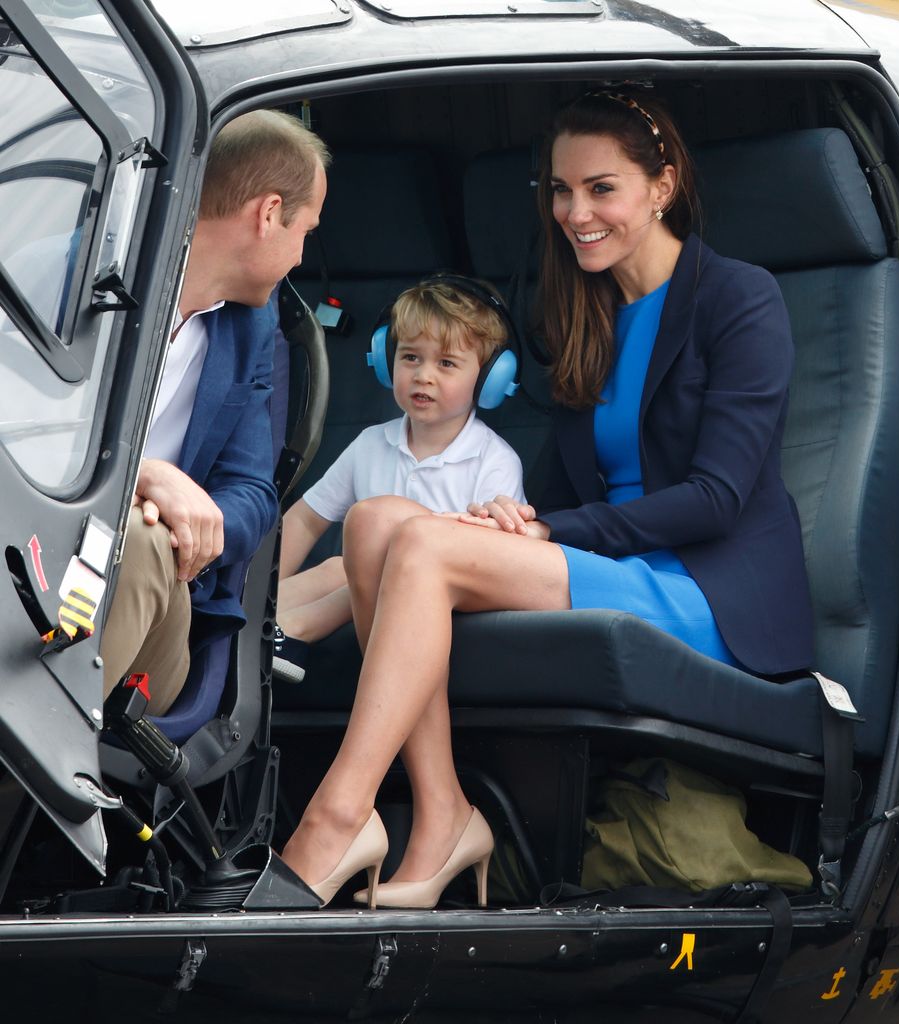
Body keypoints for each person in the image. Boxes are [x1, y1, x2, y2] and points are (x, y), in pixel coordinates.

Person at [279, 89, 813, 910]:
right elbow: (560, 492)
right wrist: (516, 520)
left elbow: (714, 498)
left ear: (660, 186)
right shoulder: (582, 312)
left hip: (704, 590)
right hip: (603, 561)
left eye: (601, 188)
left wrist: (544, 529)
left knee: (418, 542)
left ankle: (338, 815)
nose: (574, 211)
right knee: (379, 518)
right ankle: (442, 813)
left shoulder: (738, 298)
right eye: (559, 191)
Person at [99, 109, 330, 716]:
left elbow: (253, 493)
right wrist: (144, 476)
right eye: (305, 230)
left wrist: (194, 522)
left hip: (158, 595)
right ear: (269, 213)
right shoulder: (83, 278)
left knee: (145, 541)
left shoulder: (252, 327)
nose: (301, 257)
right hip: (33, 547)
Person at [273, 275, 525, 682]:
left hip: (444, 603)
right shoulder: (370, 444)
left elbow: (494, 565)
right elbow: (304, 520)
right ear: (385, 359)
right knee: (339, 566)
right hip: (370, 595)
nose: (424, 375)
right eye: (410, 357)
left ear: (490, 378)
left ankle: (294, 630)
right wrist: (254, 586)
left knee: (366, 564)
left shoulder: (494, 461)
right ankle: (252, 626)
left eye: (446, 363)